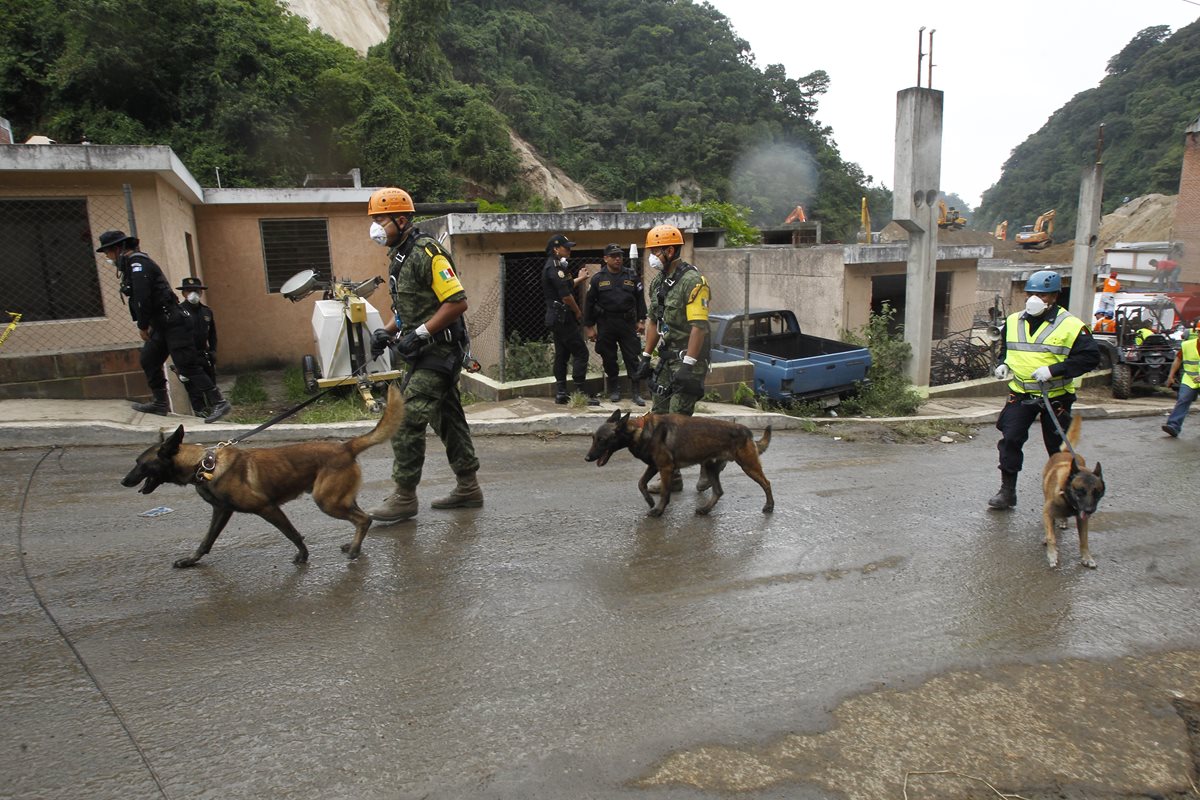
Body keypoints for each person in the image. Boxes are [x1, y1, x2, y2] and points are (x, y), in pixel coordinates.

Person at [363, 187, 482, 523]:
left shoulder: (427, 252)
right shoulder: (400, 256)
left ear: (401, 220)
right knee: (449, 420)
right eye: (374, 220)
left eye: (381, 220)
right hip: (420, 353)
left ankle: (404, 497)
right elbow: (408, 309)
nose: (376, 227)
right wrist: (386, 331)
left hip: (439, 351)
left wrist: (421, 333)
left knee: (404, 419)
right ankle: (468, 487)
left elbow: (457, 301)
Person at [987, 270, 1100, 509]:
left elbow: (1090, 358)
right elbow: (1007, 350)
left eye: (1042, 295)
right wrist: (1003, 364)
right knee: (1010, 440)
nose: (1035, 299)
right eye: (1031, 293)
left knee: (1058, 450)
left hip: (1055, 398)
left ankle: (1065, 495)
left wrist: (1054, 370)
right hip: (1020, 394)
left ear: (1054, 297)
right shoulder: (1013, 321)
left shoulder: (1071, 326)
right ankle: (1007, 492)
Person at [95, 230, 231, 422]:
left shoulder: (138, 264)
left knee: (186, 364)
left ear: (117, 249)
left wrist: (142, 325)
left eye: (108, 253)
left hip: (173, 323)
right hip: (162, 324)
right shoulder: (133, 265)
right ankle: (160, 403)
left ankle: (219, 402)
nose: (108, 258)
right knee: (149, 359)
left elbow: (143, 299)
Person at [634, 223, 711, 493]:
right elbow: (653, 320)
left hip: (690, 358)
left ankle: (711, 461)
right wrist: (645, 356)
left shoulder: (693, 282)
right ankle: (673, 479)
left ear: (669, 249)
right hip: (667, 358)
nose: (651, 256)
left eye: (655, 251)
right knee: (658, 419)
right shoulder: (658, 282)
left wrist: (688, 366)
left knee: (679, 421)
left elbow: (698, 328)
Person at [584, 243, 647, 405]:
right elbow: (589, 303)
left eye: (619, 255)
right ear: (606, 259)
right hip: (606, 323)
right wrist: (589, 327)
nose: (618, 259)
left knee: (632, 357)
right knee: (609, 357)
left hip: (627, 323)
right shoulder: (598, 279)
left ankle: (636, 392)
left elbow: (640, 299)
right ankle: (614, 389)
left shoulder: (631, 275)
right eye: (613, 256)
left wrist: (641, 320)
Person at [541, 233, 598, 405]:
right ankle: (580, 393)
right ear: (556, 249)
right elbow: (566, 296)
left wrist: (580, 278)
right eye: (566, 247)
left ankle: (561, 393)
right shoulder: (555, 268)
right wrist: (578, 311)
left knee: (562, 354)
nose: (569, 250)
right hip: (563, 317)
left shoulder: (557, 267)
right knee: (581, 352)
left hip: (557, 318)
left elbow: (565, 285)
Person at [177, 276, 220, 412]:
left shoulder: (206, 311)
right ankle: (201, 414)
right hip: (188, 357)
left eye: (196, 290)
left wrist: (213, 351)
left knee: (211, 387)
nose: (193, 294)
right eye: (189, 291)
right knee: (195, 392)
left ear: (201, 292)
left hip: (204, 356)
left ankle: (214, 412)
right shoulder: (178, 312)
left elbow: (212, 334)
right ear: (183, 293)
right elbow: (174, 339)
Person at [1162, 331, 1198, 437]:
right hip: (1190, 379)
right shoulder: (1188, 345)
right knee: (1183, 399)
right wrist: (1171, 376)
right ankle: (1173, 426)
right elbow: (1178, 360)